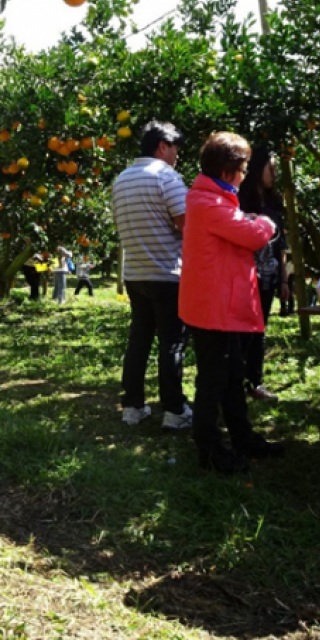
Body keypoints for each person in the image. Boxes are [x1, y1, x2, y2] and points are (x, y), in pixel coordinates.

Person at [179, 132, 281, 474]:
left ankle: (242, 437)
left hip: (217, 306)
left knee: (232, 374)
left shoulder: (214, 198)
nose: (245, 175)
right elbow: (252, 235)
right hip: (211, 310)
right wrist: (266, 221)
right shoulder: (207, 202)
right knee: (213, 381)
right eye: (243, 169)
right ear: (228, 172)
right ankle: (210, 451)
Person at [110, 120, 191, 430]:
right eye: (175, 149)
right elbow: (187, 227)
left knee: (139, 342)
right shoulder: (166, 177)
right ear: (162, 147)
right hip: (168, 273)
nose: (177, 156)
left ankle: (133, 406)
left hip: (136, 273)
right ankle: (174, 410)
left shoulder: (121, 179)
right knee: (172, 343)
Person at [238, 147, 289, 401]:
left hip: (268, 275)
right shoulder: (241, 199)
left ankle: (254, 382)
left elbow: (281, 243)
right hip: (246, 274)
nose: (275, 173)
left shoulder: (273, 202)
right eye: (271, 168)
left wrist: (284, 278)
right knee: (244, 330)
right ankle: (238, 379)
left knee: (259, 328)